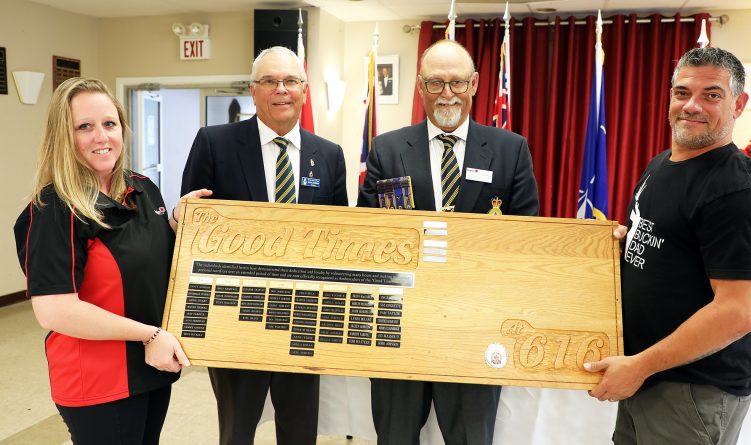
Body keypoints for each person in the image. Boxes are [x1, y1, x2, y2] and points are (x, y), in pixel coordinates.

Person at [585, 47, 751, 445]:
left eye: (711, 94)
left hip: (693, 389)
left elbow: (735, 313)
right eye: (681, 93)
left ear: (738, 104)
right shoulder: (662, 165)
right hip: (650, 374)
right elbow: (672, 246)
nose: (691, 106)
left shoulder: (738, 193)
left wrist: (640, 366)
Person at [358, 39, 539, 445]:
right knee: (394, 437)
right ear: (420, 87)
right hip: (399, 327)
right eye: (435, 84)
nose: (447, 94)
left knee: (471, 438)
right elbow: (368, 238)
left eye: (456, 83)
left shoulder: (511, 150)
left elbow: (526, 239)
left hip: (475, 328)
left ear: (474, 84)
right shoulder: (386, 149)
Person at [12, 77, 211, 444]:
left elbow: (145, 255)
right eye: (84, 126)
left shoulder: (142, 186)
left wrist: (175, 220)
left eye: (109, 124)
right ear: (63, 137)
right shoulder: (54, 209)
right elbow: (55, 310)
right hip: (99, 379)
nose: (101, 137)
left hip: (151, 366)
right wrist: (150, 334)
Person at [180, 46, 348, 445]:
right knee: (237, 429)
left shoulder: (330, 156)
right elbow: (192, 227)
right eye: (269, 81)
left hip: (305, 317)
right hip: (235, 315)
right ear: (253, 92)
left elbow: (341, 238)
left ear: (304, 90)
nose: (281, 90)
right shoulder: (214, 143)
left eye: (290, 81)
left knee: (299, 429)